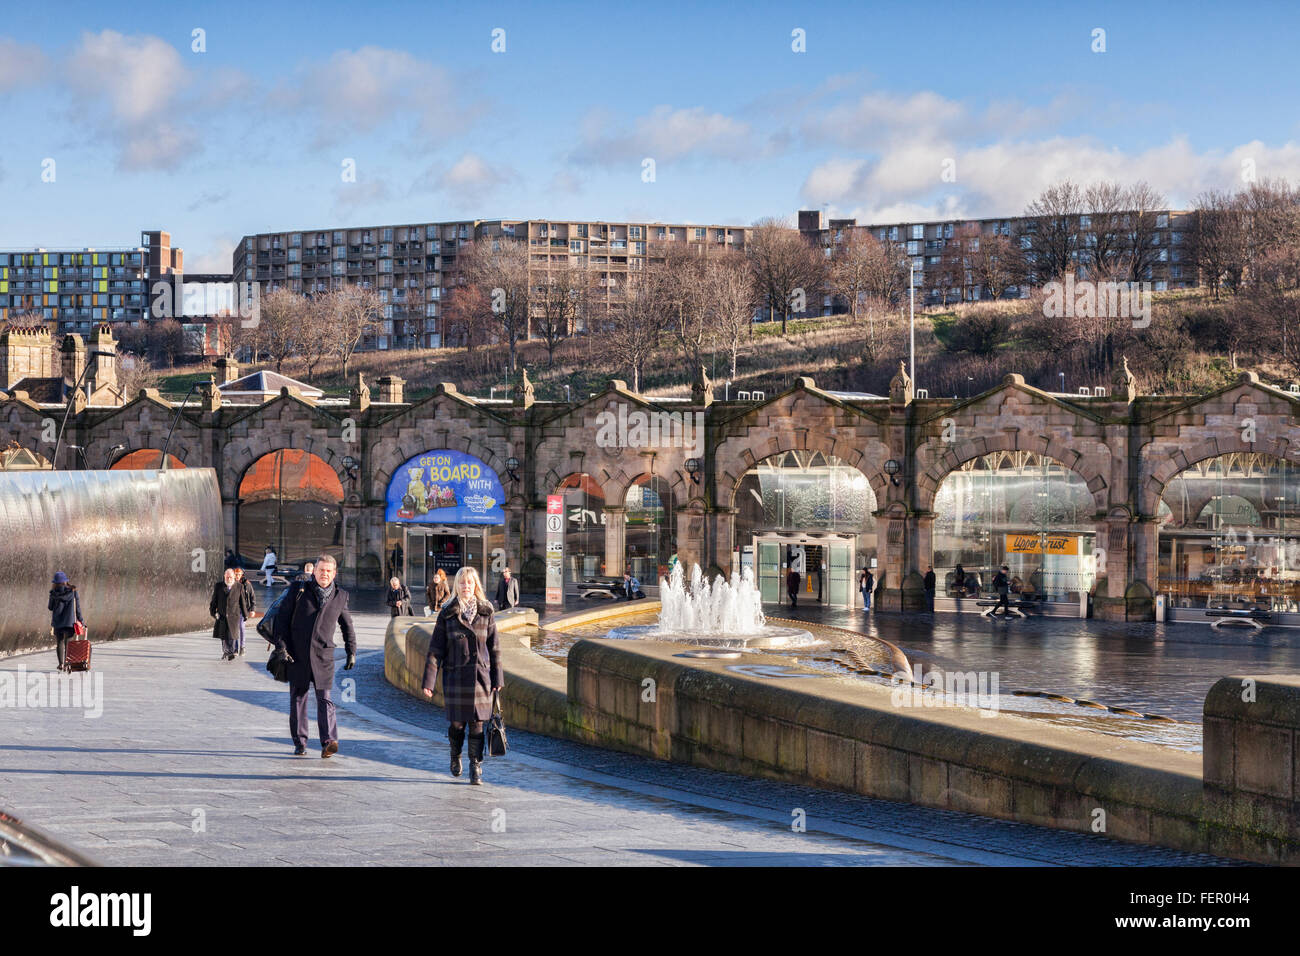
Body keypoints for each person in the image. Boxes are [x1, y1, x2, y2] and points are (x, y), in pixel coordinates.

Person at [421, 567, 503, 785]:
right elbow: (435, 650)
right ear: (456, 585)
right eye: (462, 583)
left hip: (480, 677)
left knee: (477, 725)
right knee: (457, 725)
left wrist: (498, 679)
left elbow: (494, 648)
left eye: (470, 583)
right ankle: (455, 754)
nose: (466, 587)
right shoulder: (447, 613)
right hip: (455, 678)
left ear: (476, 585)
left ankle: (475, 766)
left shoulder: (486, 611)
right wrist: (429, 681)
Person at [271, 554, 357, 758]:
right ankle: (300, 742)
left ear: (334, 574)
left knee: (325, 699)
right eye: (321, 570)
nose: (324, 574)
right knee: (298, 698)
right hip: (297, 654)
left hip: (324, 655)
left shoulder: (341, 596)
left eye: (329, 571)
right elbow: (282, 620)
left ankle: (329, 741)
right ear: (314, 571)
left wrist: (351, 651)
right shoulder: (298, 589)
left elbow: (347, 626)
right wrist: (281, 646)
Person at [210, 567, 251, 661]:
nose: (229, 579)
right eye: (227, 577)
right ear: (224, 576)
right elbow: (214, 601)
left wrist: (245, 614)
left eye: (230, 577)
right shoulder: (219, 586)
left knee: (232, 634)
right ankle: (226, 651)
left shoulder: (239, 586)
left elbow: (242, 602)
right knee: (223, 635)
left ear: (234, 577)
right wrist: (213, 612)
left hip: (234, 615)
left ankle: (231, 651)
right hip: (222, 614)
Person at [48, 571, 84, 671]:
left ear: (55, 582)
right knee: (68, 643)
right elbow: (77, 608)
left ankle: (61, 664)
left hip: (57, 622)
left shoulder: (53, 593)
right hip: (70, 622)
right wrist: (81, 621)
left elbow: (50, 607)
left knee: (59, 642)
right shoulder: (73, 592)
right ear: (65, 581)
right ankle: (68, 663)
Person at [233, 565, 256, 656]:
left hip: (243, 609)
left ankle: (242, 647)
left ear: (242, 574)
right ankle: (235, 648)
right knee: (234, 628)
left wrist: (253, 609)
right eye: (236, 574)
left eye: (239, 574)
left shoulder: (247, 584)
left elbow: (252, 596)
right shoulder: (231, 582)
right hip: (233, 609)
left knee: (241, 627)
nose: (237, 576)